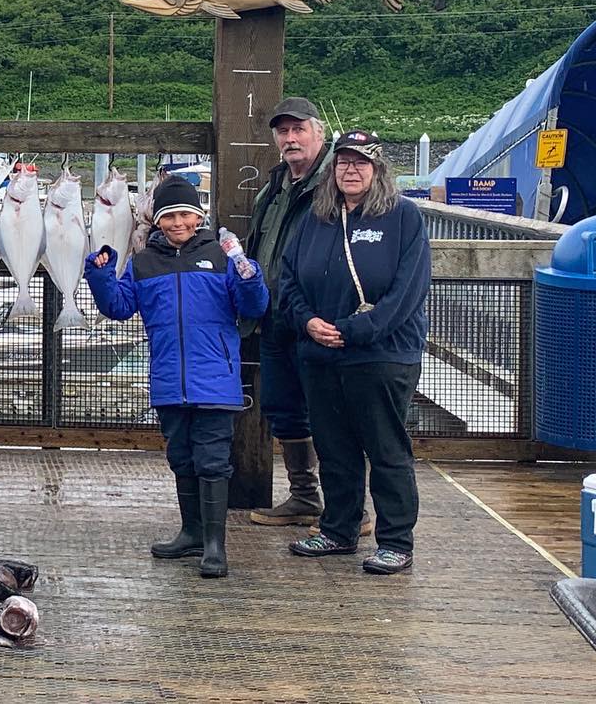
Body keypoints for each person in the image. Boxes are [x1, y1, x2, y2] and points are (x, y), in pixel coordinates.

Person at [85, 176, 269, 578]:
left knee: (213, 461)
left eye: (185, 214)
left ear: (198, 217)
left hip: (216, 381)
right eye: (169, 216)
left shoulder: (221, 256)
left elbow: (253, 306)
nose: (178, 223)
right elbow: (118, 307)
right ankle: (191, 533)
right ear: (158, 221)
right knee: (181, 457)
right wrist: (100, 275)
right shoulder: (143, 263)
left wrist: (248, 272)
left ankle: (215, 545)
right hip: (169, 381)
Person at [281, 130, 430, 575]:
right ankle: (338, 529)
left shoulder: (404, 216)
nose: (351, 169)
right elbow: (288, 279)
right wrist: (307, 322)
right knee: (334, 447)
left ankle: (396, 541)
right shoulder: (317, 217)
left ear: (377, 169)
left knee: (386, 450)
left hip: (381, 355)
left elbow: (408, 292)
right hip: (321, 354)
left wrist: (354, 331)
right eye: (343, 162)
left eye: (361, 162)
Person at [242, 97, 369, 532]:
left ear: (319, 133)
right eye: (283, 132)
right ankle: (305, 496)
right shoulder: (274, 186)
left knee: (333, 414)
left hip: (320, 319)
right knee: (284, 408)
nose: (290, 139)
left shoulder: (337, 184)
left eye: (299, 130)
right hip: (276, 317)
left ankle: (351, 509)